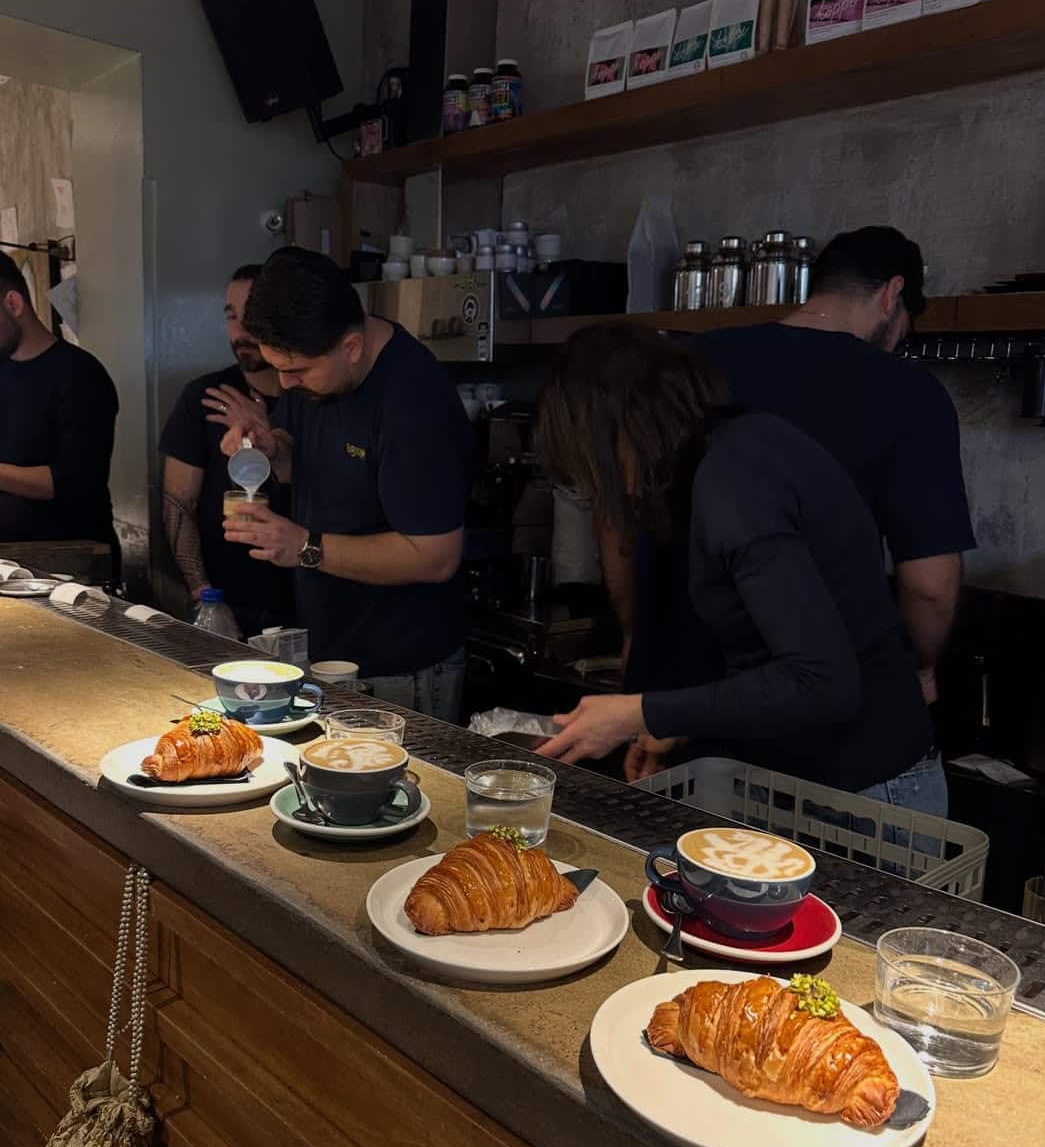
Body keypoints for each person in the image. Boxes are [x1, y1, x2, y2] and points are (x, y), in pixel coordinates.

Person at [610, 227, 973, 806]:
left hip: (692, 743)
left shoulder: (689, 365)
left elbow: (623, 530)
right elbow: (930, 587)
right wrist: (921, 665)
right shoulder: (906, 390)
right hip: (839, 758)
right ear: (892, 296)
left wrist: (635, 636)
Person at [534, 326, 940, 814]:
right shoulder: (730, 456)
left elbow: (821, 682)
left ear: (621, 429)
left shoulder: (737, 481)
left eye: (591, 467)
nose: (605, 491)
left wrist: (637, 712)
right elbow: (765, 670)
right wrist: (677, 723)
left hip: (868, 795)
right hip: (817, 780)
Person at [210, 246, 470, 722]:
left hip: (401, 669)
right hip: (331, 650)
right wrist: (272, 449)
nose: (285, 384)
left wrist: (303, 547)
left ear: (351, 347)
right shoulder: (317, 372)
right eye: (277, 369)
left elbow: (435, 557)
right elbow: (306, 459)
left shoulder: (413, 400)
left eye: (296, 371)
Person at [159, 263, 293, 639]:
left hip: (312, 600)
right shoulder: (205, 398)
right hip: (230, 601)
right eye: (231, 317)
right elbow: (177, 505)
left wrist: (266, 427)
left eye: (250, 316)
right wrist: (203, 594)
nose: (239, 331)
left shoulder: (312, 397)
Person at [0, 252, 120, 576]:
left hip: (71, 569)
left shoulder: (80, 375)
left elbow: (70, 481)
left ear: (13, 304)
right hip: (7, 565)